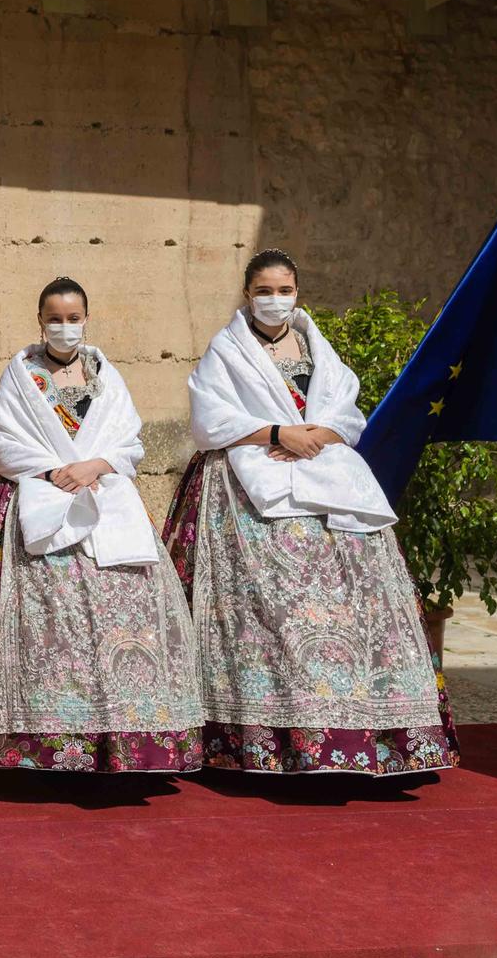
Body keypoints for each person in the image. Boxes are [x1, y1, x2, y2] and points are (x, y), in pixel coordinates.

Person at [162, 249, 457, 775]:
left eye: (285, 290)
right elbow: (210, 419)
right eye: (264, 291)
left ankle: (372, 729)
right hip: (249, 475)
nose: (275, 300)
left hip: (326, 472)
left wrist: (318, 433)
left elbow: (346, 406)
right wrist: (277, 433)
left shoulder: (317, 346)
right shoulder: (226, 349)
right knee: (275, 609)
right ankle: (276, 734)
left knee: (359, 604)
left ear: (297, 291)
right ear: (246, 293)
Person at [0, 277, 204, 773]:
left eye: (73, 319)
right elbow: (2, 439)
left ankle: (122, 738)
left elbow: (129, 441)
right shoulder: (21, 375)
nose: (64, 327)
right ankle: (42, 743)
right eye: (55, 318)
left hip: (102, 495)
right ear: (39, 321)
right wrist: (50, 471)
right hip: (36, 494)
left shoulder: (106, 375)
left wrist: (94, 467)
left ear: (86, 319)